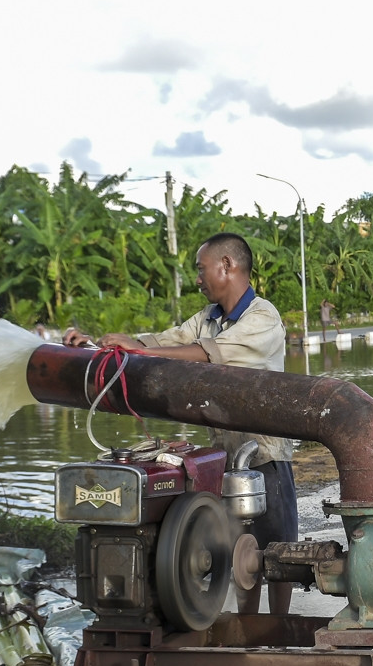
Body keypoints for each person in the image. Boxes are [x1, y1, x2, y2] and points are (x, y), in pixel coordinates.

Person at [63, 232, 297, 618]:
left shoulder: (262, 318)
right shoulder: (207, 318)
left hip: (265, 455)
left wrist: (138, 349)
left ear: (228, 265)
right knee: (242, 553)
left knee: (278, 553)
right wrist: (104, 346)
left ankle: (279, 633)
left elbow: (208, 355)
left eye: (201, 269)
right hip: (228, 457)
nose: (198, 279)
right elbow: (166, 340)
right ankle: (248, 633)